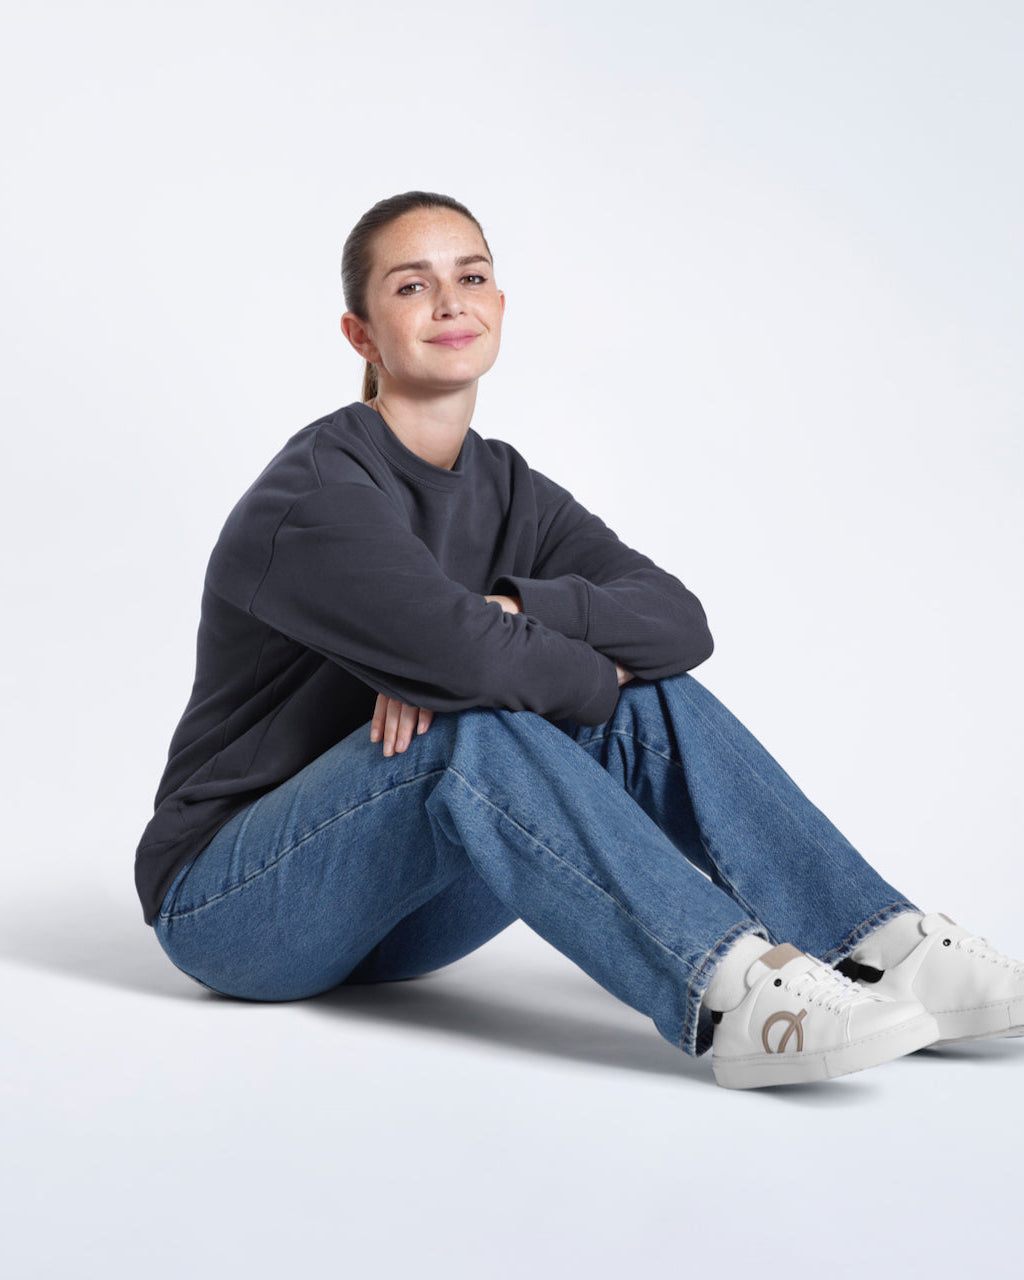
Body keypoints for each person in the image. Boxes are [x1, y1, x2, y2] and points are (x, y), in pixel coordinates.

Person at [136, 190, 1024, 1090]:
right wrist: (481, 668)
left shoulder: (509, 486)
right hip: (237, 906)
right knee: (476, 725)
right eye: (411, 287)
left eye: (471, 277)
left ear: (499, 307)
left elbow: (679, 622)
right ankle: (731, 996)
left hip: (399, 915)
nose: (450, 303)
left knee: (641, 689)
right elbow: (471, 665)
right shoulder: (318, 492)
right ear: (360, 334)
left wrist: (514, 615)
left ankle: (879, 946)